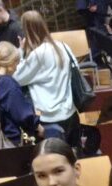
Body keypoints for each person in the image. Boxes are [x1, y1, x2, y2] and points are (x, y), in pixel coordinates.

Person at [14, 11, 79, 146]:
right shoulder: (63, 46)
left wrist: (20, 52)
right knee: (73, 156)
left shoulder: (37, 54)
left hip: (49, 118)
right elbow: (76, 69)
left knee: (54, 158)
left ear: (26, 29)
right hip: (70, 112)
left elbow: (17, 78)